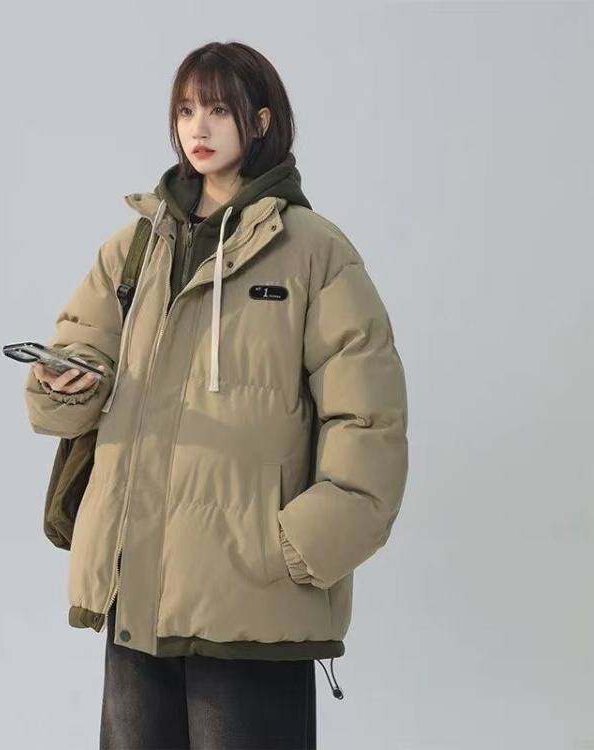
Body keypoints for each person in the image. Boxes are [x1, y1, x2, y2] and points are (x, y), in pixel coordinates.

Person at [24, 40, 409, 749]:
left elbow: (369, 422)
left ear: (260, 122)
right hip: (137, 594)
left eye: (218, 110)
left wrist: (295, 551)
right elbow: (78, 361)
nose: (197, 128)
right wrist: (64, 380)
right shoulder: (136, 246)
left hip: (253, 604)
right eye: (185, 110)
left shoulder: (315, 252)